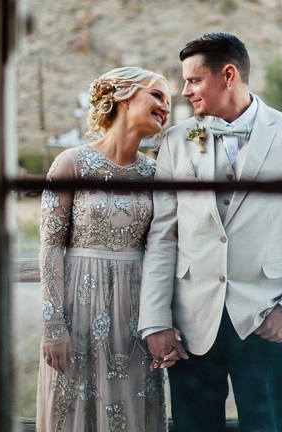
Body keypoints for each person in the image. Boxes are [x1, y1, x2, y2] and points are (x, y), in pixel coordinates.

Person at [138, 32, 282, 432]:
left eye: (194, 80)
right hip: (190, 323)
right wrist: (155, 320)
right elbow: (162, 237)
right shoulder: (176, 141)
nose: (185, 92)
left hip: (265, 319)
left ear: (229, 75)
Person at [36, 67, 173, 432]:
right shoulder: (72, 163)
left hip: (136, 314)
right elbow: (49, 249)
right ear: (125, 97)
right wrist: (53, 327)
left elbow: (165, 248)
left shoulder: (156, 173)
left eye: (170, 101)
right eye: (157, 96)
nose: (166, 106)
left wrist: (162, 320)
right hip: (77, 310)